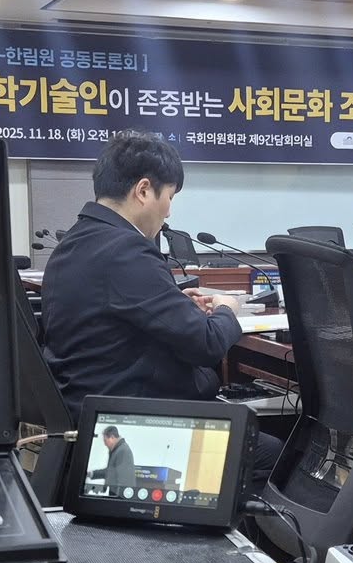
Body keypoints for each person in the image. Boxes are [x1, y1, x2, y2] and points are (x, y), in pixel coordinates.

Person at [43, 131, 282, 489]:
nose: (169, 211)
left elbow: (119, 315)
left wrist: (175, 302)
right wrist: (227, 309)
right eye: (169, 196)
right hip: (134, 423)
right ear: (143, 190)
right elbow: (207, 344)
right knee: (275, 455)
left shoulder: (75, 242)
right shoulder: (126, 251)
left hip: (90, 411)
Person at [100, 425, 136, 495]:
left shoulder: (122, 451)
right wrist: (92, 474)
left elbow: (124, 479)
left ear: (112, 437)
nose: (105, 444)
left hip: (119, 496)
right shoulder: (117, 450)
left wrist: (117, 499)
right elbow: (111, 471)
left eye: (105, 440)